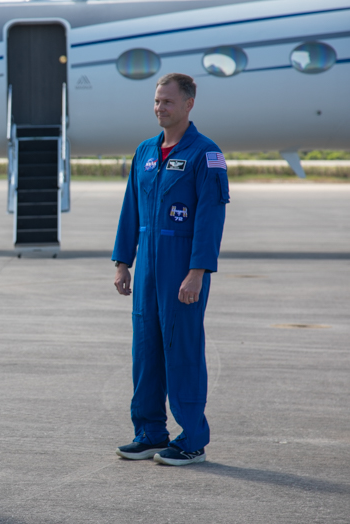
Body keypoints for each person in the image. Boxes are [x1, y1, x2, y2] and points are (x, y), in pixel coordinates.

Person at [111, 73, 230, 466]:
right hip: (146, 269)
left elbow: (210, 219)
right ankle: (149, 432)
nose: (160, 108)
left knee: (183, 351)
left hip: (182, 269)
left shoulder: (205, 154)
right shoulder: (145, 151)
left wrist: (197, 272)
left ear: (189, 104)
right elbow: (132, 210)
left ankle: (192, 438)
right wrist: (122, 262)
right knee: (145, 352)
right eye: (157, 101)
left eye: (168, 102)